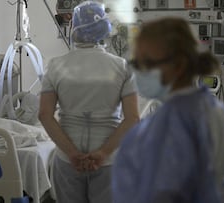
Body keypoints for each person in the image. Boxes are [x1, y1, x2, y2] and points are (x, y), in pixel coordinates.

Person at [112, 17, 224, 203]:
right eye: (136, 64)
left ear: (178, 65)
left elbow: (159, 193)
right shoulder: (217, 111)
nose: (138, 72)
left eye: (146, 63)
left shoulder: (170, 125)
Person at [38, 1, 139, 203]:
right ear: (104, 30)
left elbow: (44, 115)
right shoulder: (122, 67)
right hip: (109, 161)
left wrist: (73, 154)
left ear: (74, 28)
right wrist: (102, 153)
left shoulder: (55, 66)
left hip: (68, 160)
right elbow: (133, 118)